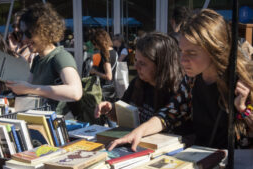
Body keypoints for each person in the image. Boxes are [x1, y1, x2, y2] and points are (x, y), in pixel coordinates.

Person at [108, 9, 253, 151]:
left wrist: (242, 109)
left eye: (191, 53)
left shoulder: (243, 81)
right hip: (203, 158)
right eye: (181, 51)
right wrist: (137, 133)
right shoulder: (192, 79)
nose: (183, 61)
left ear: (214, 50)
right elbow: (170, 113)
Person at [5, 3, 82, 111]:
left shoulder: (60, 57)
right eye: (21, 34)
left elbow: (75, 92)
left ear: (44, 31)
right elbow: (29, 87)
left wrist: (29, 88)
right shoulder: (37, 59)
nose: (23, 39)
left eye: (28, 34)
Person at [95, 32, 183, 124]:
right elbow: (123, 111)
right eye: (136, 60)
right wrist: (110, 108)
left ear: (161, 65)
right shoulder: (137, 83)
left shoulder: (177, 92)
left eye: (142, 63)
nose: (136, 66)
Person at [89, 29, 117, 102]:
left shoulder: (105, 54)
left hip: (103, 89)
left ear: (99, 42)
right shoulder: (114, 51)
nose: (95, 46)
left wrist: (94, 71)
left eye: (95, 44)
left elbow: (108, 76)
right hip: (111, 87)